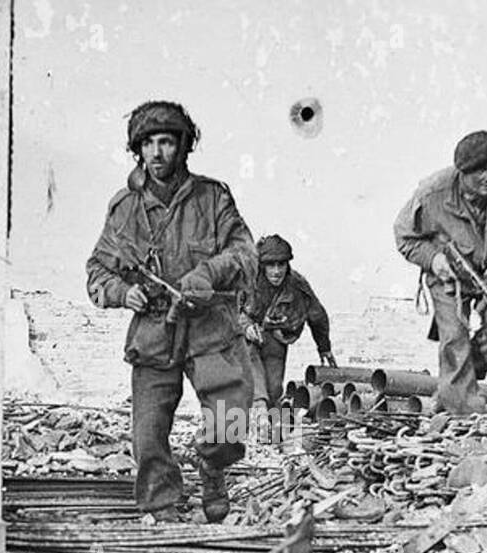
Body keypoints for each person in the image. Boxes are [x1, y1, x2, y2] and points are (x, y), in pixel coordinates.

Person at [86, 101, 257, 523]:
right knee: (148, 433)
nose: (158, 153)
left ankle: (213, 466)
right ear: (137, 150)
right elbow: (97, 270)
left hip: (208, 324)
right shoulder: (124, 208)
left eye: (167, 142)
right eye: (149, 144)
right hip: (154, 329)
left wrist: (208, 272)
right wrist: (122, 292)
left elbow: (245, 253)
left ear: (183, 147)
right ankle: (162, 509)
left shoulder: (212, 197)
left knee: (230, 417)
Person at [394, 130, 487, 415]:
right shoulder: (432, 193)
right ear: (462, 172)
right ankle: (463, 414)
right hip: (449, 279)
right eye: (480, 171)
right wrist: (433, 259)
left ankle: (450, 388)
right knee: (454, 341)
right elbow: (404, 238)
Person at [239, 235, 335, 438]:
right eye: (270, 265)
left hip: (276, 338)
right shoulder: (246, 280)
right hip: (246, 338)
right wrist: (246, 326)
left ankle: (270, 436)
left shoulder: (298, 286)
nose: (276, 271)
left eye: (281, 265)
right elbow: (227, 310)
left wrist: (324, 348)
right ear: (262, 266)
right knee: (258, 390)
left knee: (274, 389)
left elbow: (317, 316)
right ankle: (256, 416)